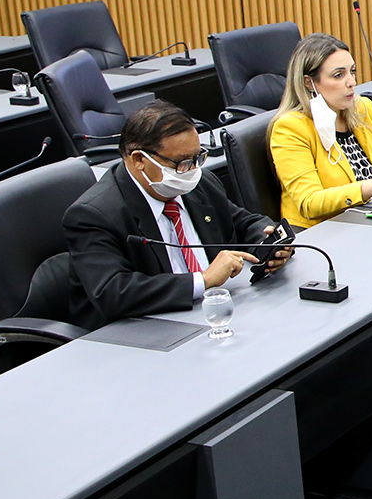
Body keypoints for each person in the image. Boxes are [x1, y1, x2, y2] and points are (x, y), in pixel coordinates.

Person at [52, 100, 290, 331]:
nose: (192, 170)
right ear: (139, 160)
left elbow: (244, 222)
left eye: (197, 158)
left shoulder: (199, 184)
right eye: (181, 163)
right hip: (145, 331)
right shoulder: (94, 215)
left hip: (215, 316)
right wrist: (203, 280)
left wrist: (269, 244)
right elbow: (113, 292)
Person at [270, 33, 372, 228]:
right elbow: (309, 202)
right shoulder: (290, 128)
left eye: (352, 71)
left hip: (370, 219)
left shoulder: (362, 108)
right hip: (322, 230)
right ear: (309, 83)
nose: (351, 82)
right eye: (338, 75)